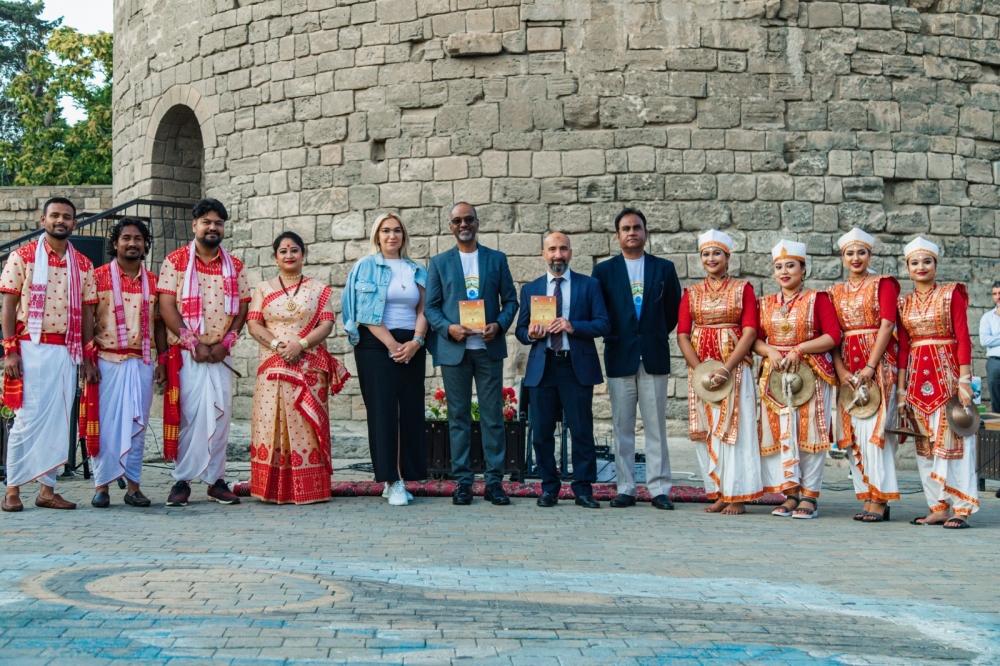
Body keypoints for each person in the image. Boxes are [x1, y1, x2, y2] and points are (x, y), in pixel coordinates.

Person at [0, 197, 97, 512]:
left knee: (57, 422)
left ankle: (46, 490)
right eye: (54, 215)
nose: (60, 221)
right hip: (30, 347)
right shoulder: (23, 256)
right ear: (43, 220)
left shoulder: (83, 264)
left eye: (66, 217)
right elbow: (8, 306)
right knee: (26, 419)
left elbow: (87, 315)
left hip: (66, 352)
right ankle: (13, 490)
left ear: (74, 222)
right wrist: (10, 349)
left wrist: (85, 356)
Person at [157, 198, 250, 508]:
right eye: (207, 222)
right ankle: (182, 480)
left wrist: (226, 343)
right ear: (194, 225)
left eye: (218, 223)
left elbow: (244, 306)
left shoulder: (234, 265)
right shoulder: (176, 261)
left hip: (220, 355)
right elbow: (166, 305)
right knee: (190, 416)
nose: (213, 227)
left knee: (221, 417)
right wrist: (192, 342)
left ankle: (216, 481)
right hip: (189, 353)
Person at [424, 202, 518, 506]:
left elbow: (511, 303)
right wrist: (449, 328)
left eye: (468, 219)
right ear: (450, 227)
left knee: (493, 417)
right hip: (455, 351)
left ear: (477, 223)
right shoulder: (438, 263)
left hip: (488, 349)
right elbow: (431, 308)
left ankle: (494, 482)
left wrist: (500, 325)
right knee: (458, 417)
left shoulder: (496, 259)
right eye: (457, 221)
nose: (463, 225)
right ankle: (463, 482)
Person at [245, 232, 349, 505]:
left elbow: (326, 324)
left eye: (294, 250)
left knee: (305, 427)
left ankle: (310, 488)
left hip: (309, 366)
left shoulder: (318, 289)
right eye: (283, 251)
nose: (289, 255)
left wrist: (300, 345)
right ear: (275, 256)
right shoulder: (263, 289)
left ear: (303, 254)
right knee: (271, 425)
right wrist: (279, 345)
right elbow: (254, 323)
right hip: (272, 365)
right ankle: (270, 489)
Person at [591, 207, 681, 510]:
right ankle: (626, 487)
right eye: (626, 228)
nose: (632, 232)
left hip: (653, 354)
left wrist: (651, 334)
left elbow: (672, 312)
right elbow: (599, 311)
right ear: (618, 236)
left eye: (637, 227)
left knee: (656, 426)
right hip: (620, 354)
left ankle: (659, 489)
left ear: (646, 233)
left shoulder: (663, 268)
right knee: (622, 426)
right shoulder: (604, 271)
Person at [514, 232, 610, 509]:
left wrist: (572, 326)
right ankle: (548, 488)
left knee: (581, 429)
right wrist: (531, 333)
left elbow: (603, 324)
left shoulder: (589, 286)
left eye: (563, 249)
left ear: (570, 252)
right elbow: (520, 331)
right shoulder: (531, 289)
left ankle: (583, 489)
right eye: (552, 249)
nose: (558, 255)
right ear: (544, 254)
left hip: (575, 365)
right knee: (541, 431)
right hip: (543, 366)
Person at [341, 213, 427, 506]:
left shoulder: (417, 268)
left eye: (397, 231)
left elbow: (424, 309)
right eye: (386, 231)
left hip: (412, 345)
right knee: (385, 411)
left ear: (404, 236)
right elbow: (363, 312)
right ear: (377, 236)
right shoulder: (366, 266)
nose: (392, 236)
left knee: (410, 411)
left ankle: (403, 475)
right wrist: (392, 344)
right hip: (376, 345)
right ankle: (392, 480)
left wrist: (416, 341)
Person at [676, 230, 762, 515]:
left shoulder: (743, 289)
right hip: (702, 372)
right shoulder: (691, 292)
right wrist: (700, 369)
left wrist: (726, 368)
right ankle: (720, 491)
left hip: (734, 369)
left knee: (735, 429)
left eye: (716, 253)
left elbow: (750, 331)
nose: (711, 258)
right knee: (710, 429)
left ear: (728, 257)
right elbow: (683, 335)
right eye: (706, 254)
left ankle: (738, 494)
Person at [83, 218, 167, 508]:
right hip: (106, 361)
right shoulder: (98, 276)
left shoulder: (154, 282)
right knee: (105, 426)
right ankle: (101, 487)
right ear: (115, 242)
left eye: (138, 239)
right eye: (126, 238)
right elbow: (86, 320)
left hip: (141, 361)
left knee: (138, 425)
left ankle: (133, 487)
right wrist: (88, 360)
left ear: (145, 245)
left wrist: (163, 360)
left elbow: (159, 325)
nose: (132, 243)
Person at [754, 240, 841, 519]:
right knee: (782, 434)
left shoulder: (819, 299)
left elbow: (832, 336)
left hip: (811, 374)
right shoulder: (765, 303)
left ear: (803, 269)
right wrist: (769, 350)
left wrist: (800, 348)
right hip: (777, 377)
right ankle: (789, 494)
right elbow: (754, 338)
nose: (784, 271)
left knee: (809, 435)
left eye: (790, 265)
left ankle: (810, 497)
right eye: (779, 267)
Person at [898, 237, 979, 529]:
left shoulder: (950, 294)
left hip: (948, 378)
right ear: (907, 268)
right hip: (918, 379)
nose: (921, 267)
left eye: (927, 261)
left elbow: (963, 338)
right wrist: (900, 389)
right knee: (925, 445)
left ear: (935, 265)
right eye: (915, 262)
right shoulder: (903, 303)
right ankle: (938, 506)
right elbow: (904, 349)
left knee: (954, 440)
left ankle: (962, 507)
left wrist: (965, 381)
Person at [829, 228, 901, 523]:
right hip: (847, 366)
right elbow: (832, 334)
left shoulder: (883, 283)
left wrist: (871, 366)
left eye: (861, 252)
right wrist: (842, 369)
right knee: (853, 436)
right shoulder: (834, 291)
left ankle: (880, 498)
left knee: (875, 433)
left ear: (870, 254)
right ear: (843, 258)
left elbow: (886, 324)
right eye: (850, 253)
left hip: (878, 364)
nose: (856, 258)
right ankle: (866, 493)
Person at [979, 280, 1000, 413]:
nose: (998, 296)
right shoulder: (987, 317)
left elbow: (991, 339)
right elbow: (984, 340)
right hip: (995, 362)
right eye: (995, 293)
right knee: (996, 398)